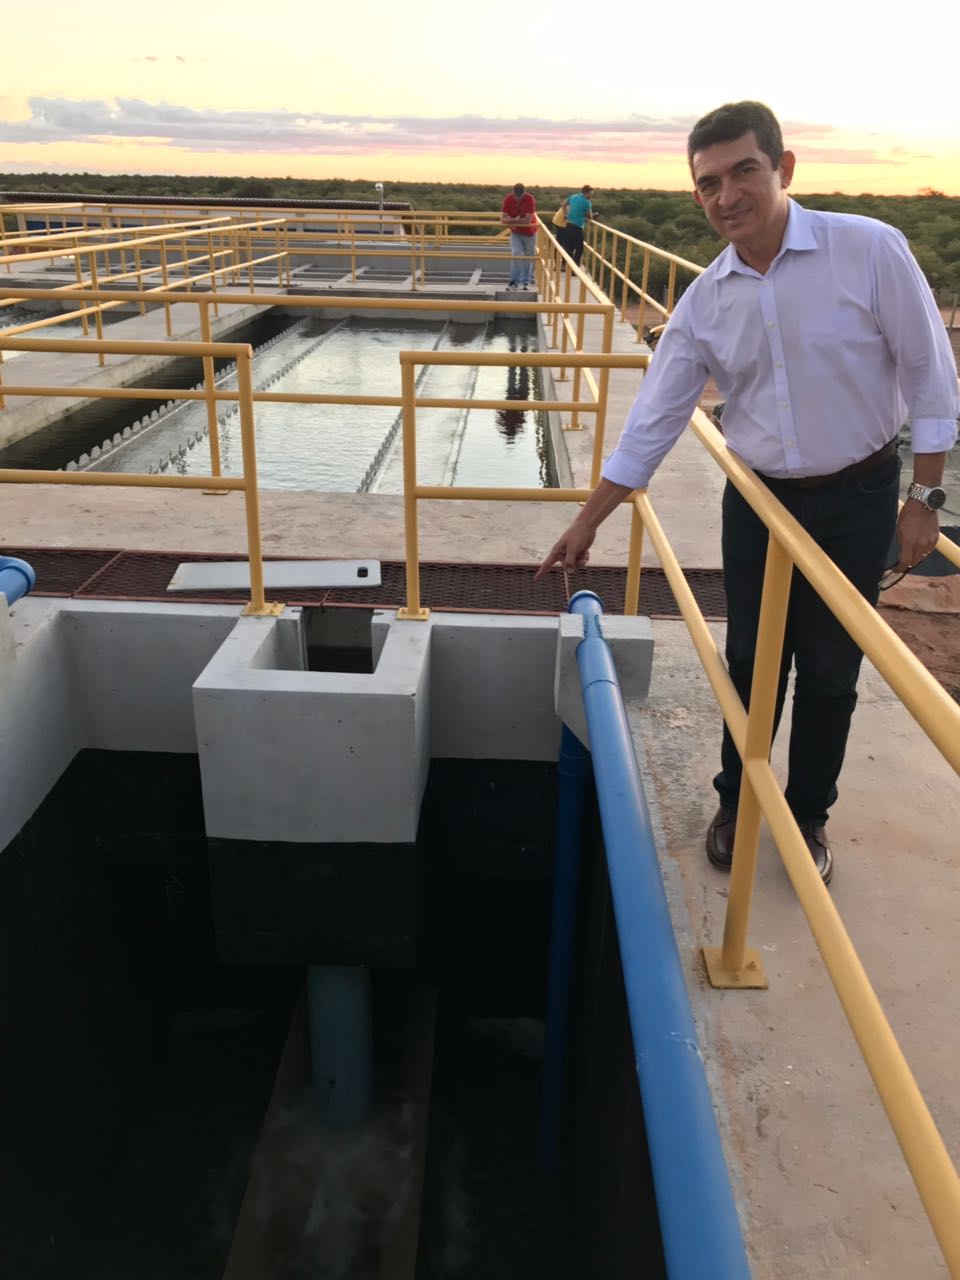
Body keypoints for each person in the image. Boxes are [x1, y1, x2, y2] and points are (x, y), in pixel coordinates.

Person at [536, 101, 958, 884]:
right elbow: (654, 421)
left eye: (743, 172)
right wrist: (588, 521)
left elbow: (931, 374)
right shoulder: (706, 301)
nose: (726, 196)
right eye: (708, 183)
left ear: (783, 168)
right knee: (750, 661)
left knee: (830, 668)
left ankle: (808, 816)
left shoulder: (868, 250)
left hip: (859, 496)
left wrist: (923, 499)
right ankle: (738, 802)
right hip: (760, 503)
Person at [500, 183, 538, 290]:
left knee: (528, 256)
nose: (518, 198)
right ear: (513, 192)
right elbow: (502, 219)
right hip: (516, 232)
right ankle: (514, 280)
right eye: (516, 196)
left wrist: (511, 220)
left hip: (530, 232)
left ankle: (526, 281)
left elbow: (527, 221)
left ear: (524, 193)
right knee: (516, 253)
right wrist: (515, 220)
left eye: (520, 196)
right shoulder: (508, 199)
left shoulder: (529, 199)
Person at [559, 185, 594, 265]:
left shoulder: (573, 196)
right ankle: (575, 265)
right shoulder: (587, 202)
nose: (591, 196)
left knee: (569, 247)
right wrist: (593, 215)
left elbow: (563, 204)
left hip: (568, 225)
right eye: (590, 193)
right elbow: (590, 217)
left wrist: (566, 214)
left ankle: (565, 264)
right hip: (577, 227)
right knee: (579, 248)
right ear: (585, 193)